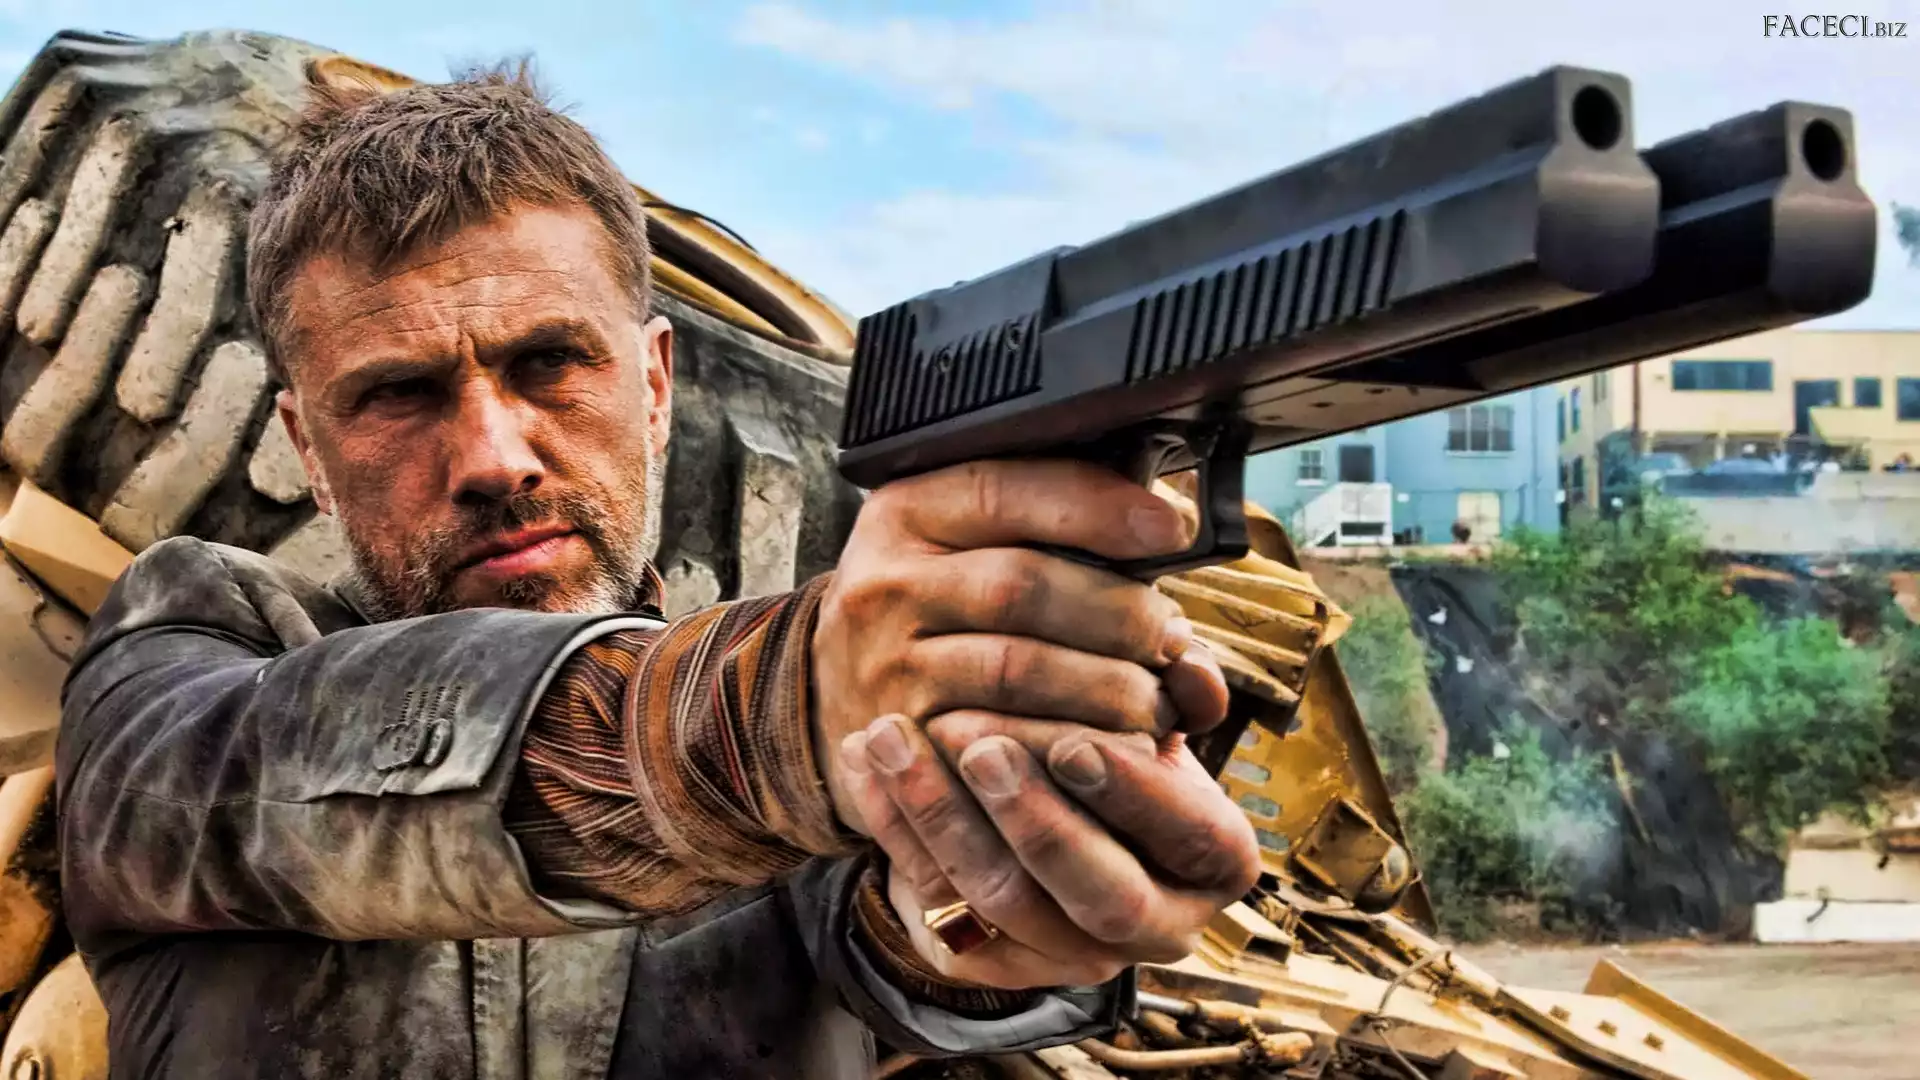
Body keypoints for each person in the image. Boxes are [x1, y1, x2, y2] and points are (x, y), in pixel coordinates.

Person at [54, 62, 1260, 1079]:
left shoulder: (844, 734)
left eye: (548, 363)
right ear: (308, 451)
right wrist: (778, 713)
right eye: (400, 395)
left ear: (656, 386)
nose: (494, 457)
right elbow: (268, 782)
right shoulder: (188, 654)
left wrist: (1000, 898)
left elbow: (898, 948)